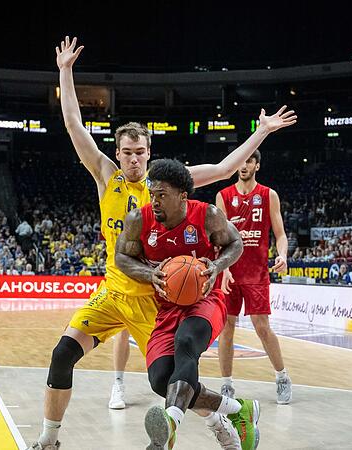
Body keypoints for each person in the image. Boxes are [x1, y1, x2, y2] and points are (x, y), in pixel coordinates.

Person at [30, 36, 296, 450]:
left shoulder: (172, 183)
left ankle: (226, 419)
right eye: (126, 153)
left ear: (149, 152)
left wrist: (260, 131)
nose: (133, 159)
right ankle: (48, 440)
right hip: (113, 292)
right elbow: (73, 126)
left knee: (168, 386)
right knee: (62, 354)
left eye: (140, 152)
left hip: (158, 301)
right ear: (117, 155)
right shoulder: (105, 176)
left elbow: (227, 168)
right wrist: (65, 71)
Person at [115, 159, 257, 450]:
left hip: (206, 299)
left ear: (183, 196)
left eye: (162, 195)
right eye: (152, 193)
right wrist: (148, 273)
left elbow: (236, 243)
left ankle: (171, 422)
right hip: (166, 307)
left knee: (187, 342)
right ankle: (237, 409)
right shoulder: (138, 220)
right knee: (160, 380)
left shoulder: (208, 216)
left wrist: (217, 266)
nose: (154, 201)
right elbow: (121, 257)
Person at [215, 149, 292, 405]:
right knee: (226, 329)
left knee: (262, 328)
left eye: (249, 160)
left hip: (257, 272)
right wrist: (223, 267)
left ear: (257, 165)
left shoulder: (268, 195)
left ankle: (282, 376)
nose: (244, 165)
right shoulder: (223, 196)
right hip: (230, 273)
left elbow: (280, 234)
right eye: (241, 160)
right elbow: (220, 240)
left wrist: (282, 255)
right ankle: (226, 385)